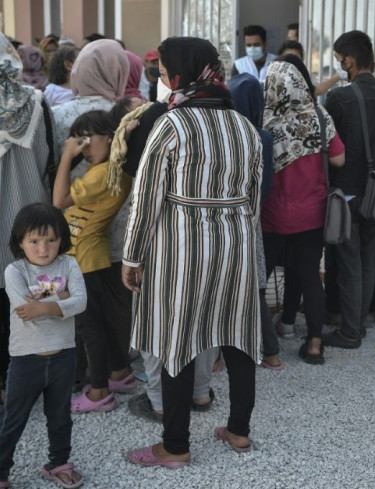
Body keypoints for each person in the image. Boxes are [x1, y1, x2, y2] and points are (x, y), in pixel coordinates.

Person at [122, 36, 262, 467]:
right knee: (238, 338)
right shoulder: (244, 126)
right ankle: (239, 430)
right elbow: (255, 198)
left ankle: (176, 446)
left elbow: (145, 197)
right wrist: (237, 230)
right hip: (236, 243)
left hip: (182, 247)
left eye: (164, 74)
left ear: (181, 74)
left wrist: (132, 255)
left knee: (177, 340)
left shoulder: (172, 124)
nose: (162, 81)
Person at [262, 56, 345, 364]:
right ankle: (313, 343)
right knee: (310, 276)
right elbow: (338, 160)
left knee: (263, 275)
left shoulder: (264, 120)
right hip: (313, 212)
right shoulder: (319, 117)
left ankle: (260, 340)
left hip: (272, 216)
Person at [53, 110, 134, 412]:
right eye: (78, 142)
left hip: (84, 259)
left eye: (88, 141)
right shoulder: (109, 168)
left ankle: (99, 392)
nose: (83, 149)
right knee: (101, 322)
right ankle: (119, 373)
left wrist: (65, 157)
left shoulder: (102, 173)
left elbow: (59, 201)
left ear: (110, 138)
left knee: (89, 329)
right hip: (91, 256)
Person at [323, 30, 375, 349]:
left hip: (347, 192)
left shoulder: (339, 97)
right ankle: (361, 321)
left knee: (348, 264)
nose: (340, 65)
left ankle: (349, 331)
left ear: (349, 61)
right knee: (369, 260)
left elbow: (331, 148)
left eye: (340, 60)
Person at [1, 203, 86, 489]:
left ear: (62, 238)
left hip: (64, 354)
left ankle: (58, 463)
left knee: (60, 416)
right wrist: (60, 298)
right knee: (13, 420)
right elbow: (25, 308)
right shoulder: (14, 270)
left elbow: (81, 302)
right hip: (26, 359)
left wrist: (44, 307)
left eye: (51, 239)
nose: (43, 248)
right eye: (34, 241)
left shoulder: (69, 264)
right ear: (20, 241)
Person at [0, 32, 55, 404]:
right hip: (29, 227)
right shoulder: (35, 102)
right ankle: (29, 385)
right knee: (32, 304)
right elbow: (46, 162)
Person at [228, 71, 282, 370]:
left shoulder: (226, 131)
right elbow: (266, 186)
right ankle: (270, 352)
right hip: (251, 218)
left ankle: (218, 358)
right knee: (256, 288)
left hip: (223, 218)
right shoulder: (262, 136)